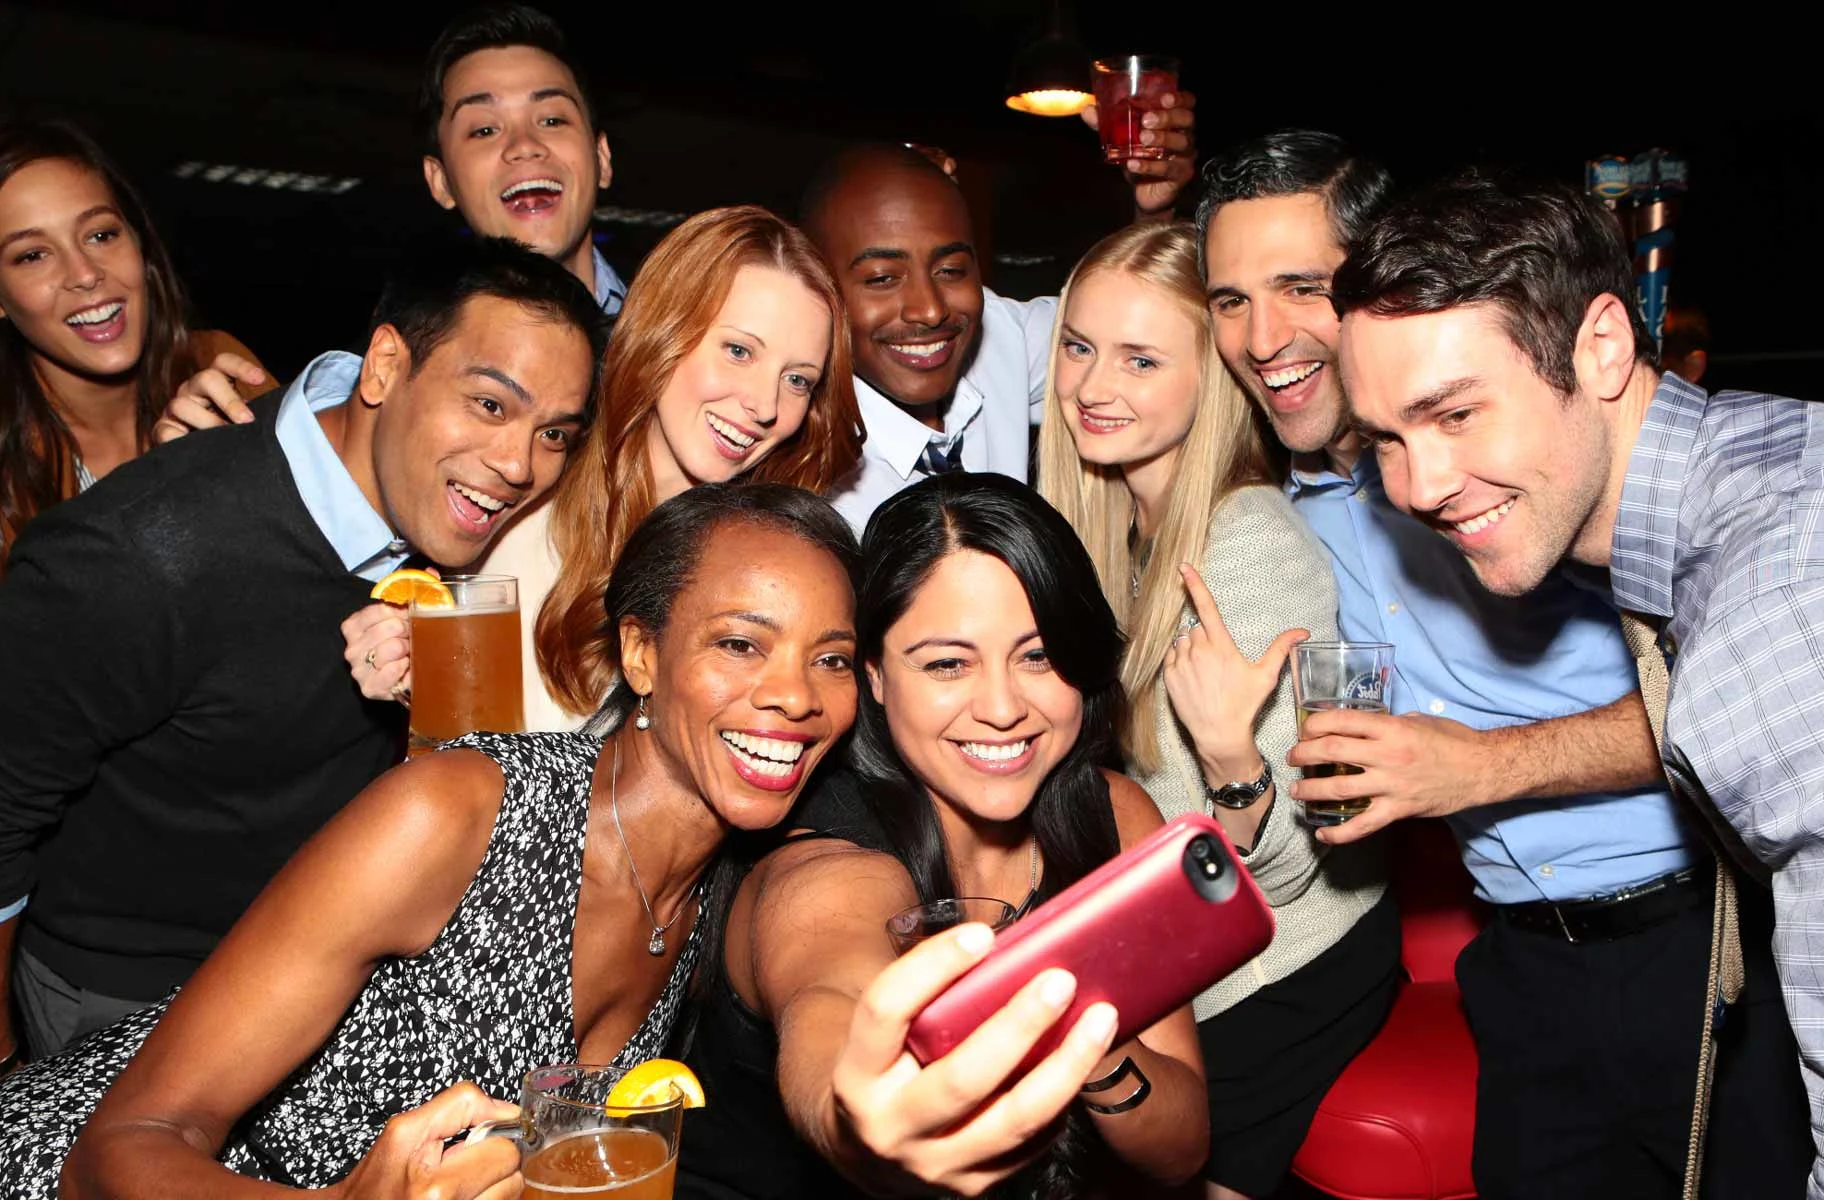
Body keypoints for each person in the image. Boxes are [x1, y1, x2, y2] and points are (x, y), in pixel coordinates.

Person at [0, 482, 861, 1200]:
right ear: (643, 654)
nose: (796, 695)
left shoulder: (702, 904)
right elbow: (115, 1155)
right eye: (741, 643)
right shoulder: (459, 810)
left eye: (832, 659)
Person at [0, 235, 604, 1140]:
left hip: (332, 980)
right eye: (488, 404)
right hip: (131, 996)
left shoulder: (446, 521)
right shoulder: (141, 556)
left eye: (553, 434)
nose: (520, 465)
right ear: (386, 366)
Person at [1332, 169, 1815, 1199]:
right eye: (1385, 438)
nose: (1416, 486)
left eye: (1456, 414)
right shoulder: (1760, 457)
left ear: (1602, 347)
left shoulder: (1766, 613)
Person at [680, 473, 1209, 1199]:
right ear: (874, 676)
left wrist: (1086, 1038)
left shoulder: (1115, 815)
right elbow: (828, 991)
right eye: (947, 664)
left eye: (1037, 655)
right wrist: (861, 1113)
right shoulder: (825, 861)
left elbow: (1181, 1150)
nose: (1001, 708)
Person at [1036, 221, 1395, 1199]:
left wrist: (1235, 764)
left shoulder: (1252, 549)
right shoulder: (1110, 527)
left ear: (1212, 382)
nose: (1092, 386)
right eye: (1080, 347)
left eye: (1141, 358)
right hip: (1181, 958)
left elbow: (1308, 842)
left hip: (1282, 958)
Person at [342, 204, 863, 729]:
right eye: (738, 351)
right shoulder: (521, 501)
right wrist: (408, 670)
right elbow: (470, 741)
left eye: (798, 380)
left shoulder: (783, 561)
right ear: (662, 329)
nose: (766, 404)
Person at [0, 116, 275, 744]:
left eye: (101, 234)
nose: (84, 273)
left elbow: (306, 613)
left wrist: (216, 486)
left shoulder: (223, 375)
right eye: (32, 255)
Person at [156, 3, 619, 439]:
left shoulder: (681, 335)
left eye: (552, 119)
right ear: (440, 182)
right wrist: (213, 459)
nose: (523, 144)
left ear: (601, 159)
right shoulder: (383, 377)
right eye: (483, 129)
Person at [802, 116, 1196, 533]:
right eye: (883, 278)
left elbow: (1133, 325)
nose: (930, 310)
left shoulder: (998, 336)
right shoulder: (806, 473)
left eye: (951, 270)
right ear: (816, 290)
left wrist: (1153, 217)